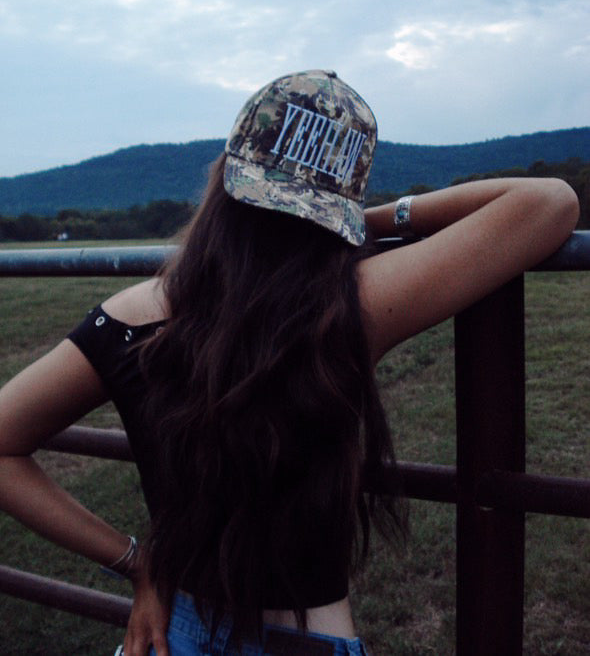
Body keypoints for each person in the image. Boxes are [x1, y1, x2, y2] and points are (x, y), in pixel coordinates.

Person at [0, 69, 579, 655]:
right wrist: (367, 222)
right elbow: (548, 203)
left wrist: (136, 561)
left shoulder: (129, 318)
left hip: (171, 635)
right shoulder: (347, 308)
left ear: (223, 179)